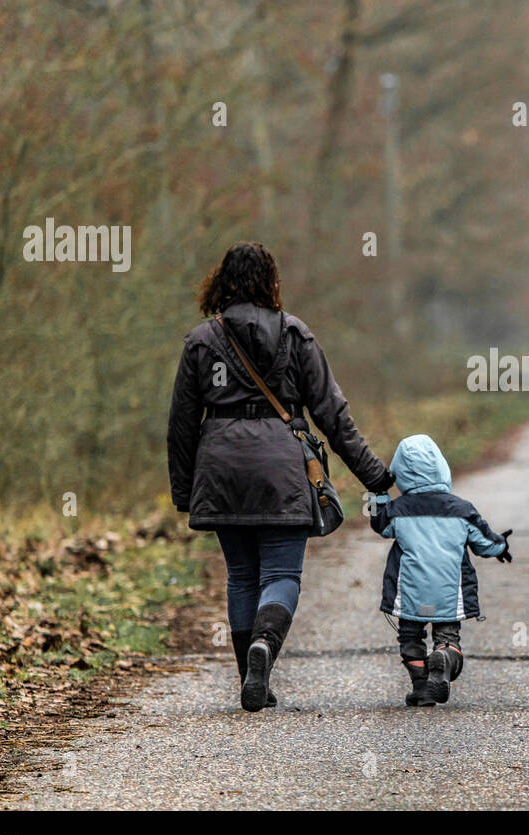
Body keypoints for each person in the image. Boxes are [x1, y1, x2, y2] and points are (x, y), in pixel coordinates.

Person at [167, 241, 394, 712]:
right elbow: (333, 416)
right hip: (282, 470)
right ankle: (264, 651)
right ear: (271, 281)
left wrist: (186, 490)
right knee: (282, 573)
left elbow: (182, 425)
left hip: (223, 472)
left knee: (241, 577)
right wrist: (375, 476)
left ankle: (252, 677)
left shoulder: (200, 342)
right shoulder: (295, 336)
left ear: (220, 281)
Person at [369, 434, 512, 707]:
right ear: (441, 467)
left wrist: (377, 493)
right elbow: (485, 544)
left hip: (411, 592)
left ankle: (421, 687)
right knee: (448, 635)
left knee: (410, 636)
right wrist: (501, 545)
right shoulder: (461, 510)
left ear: (400, 472)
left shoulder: (398, 510)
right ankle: (445, 657)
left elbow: (379, 525)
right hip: (449, 592)